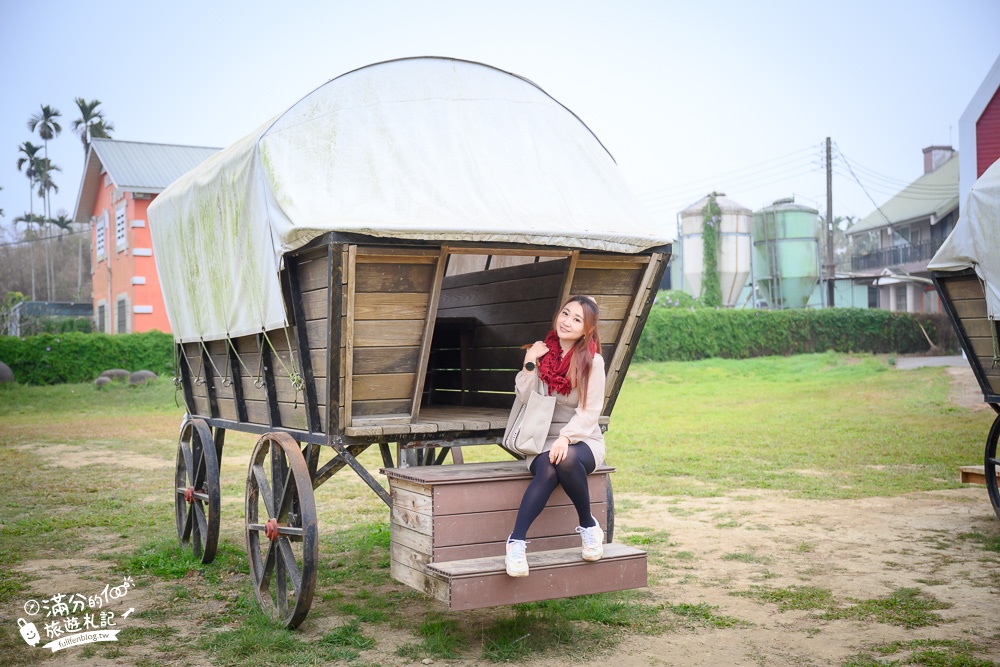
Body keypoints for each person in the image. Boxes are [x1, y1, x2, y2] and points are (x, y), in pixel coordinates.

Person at [505, 295, 606, 578]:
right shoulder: (541, 353)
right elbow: (525, 398)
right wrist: (529, 362)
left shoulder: (592, 362)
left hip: (583, 438)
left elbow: (590, 412)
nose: (567, 322)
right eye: (565, 314)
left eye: (577, 320)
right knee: (548, 467)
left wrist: (566, 438)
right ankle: (516, 543)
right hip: (540, 439)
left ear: (587, 330)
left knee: (566, 459)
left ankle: (588, 526)